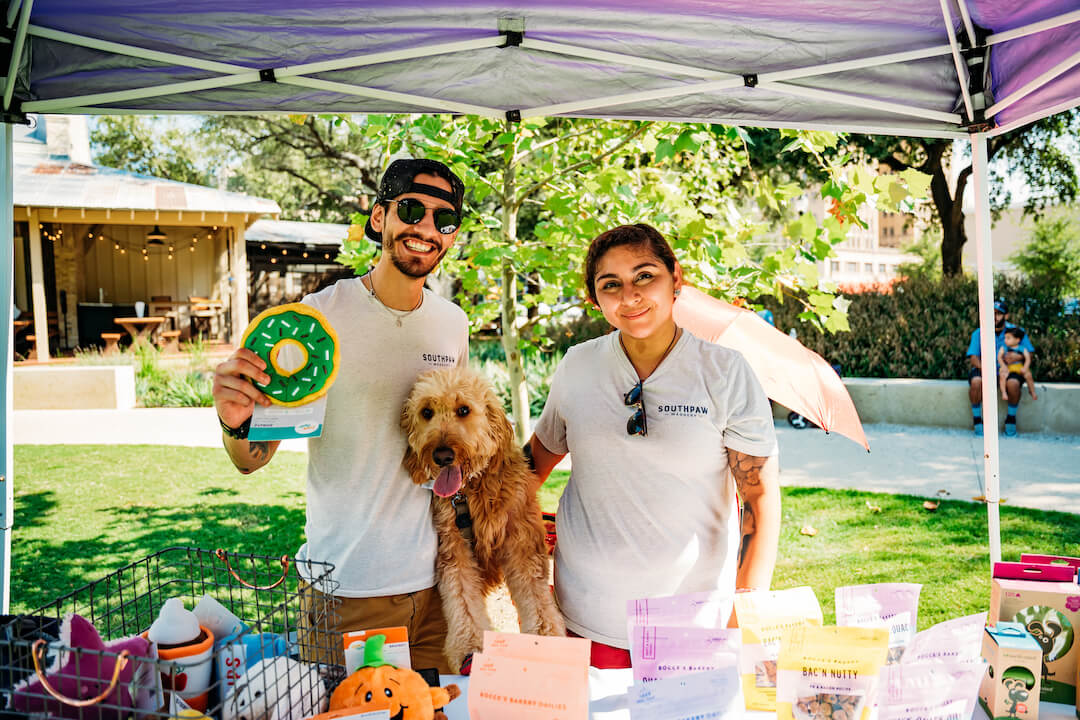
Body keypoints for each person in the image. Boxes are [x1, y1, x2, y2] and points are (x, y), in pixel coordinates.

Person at [211, 158, 469, 672]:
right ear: (379, 218)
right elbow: (252, 458)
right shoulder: (317, 319)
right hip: (348, 588)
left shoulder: (452, 324)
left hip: (440, 588)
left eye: (443, 220)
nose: (425, 230)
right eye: (412, 210)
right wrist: (235, 420)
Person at [527, 223, 780, 668]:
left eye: (645, 276)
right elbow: (530, 468)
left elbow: (759, 497)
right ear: (595, 298)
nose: (630, 296)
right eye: (611, 285)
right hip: (583, 620)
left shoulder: (724, 372)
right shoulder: (577, 366)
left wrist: (747, 606)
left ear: (675, 278)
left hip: (693, 627)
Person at [966, 299, 1034, 437]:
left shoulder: (1017, 332)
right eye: (992, 313)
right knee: (976, 382)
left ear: (1006, 316)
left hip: (1010, 369)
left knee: (1013, 383)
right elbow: (973, 358)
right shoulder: (979, 333)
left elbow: (1030, 352)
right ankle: (977, 419)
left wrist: (1019, 357)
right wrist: (987, 370)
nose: (994, 317)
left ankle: (1011, 418)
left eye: (999, 314)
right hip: (985, 368)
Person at [997, 327, 1037, 401]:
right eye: (1005, 338)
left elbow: (1028, 358)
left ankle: (1032, 391)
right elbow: (999, 357)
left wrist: (1025, 367)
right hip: (1008, 367)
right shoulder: (1004, 348)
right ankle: (1004, 392)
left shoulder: (1022, 348)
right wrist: (1003, 366)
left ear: (1017, 340)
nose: (1005, 340)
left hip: (1019, 366)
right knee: (1002, 376)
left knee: (1028, 375)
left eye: (1008, 338)